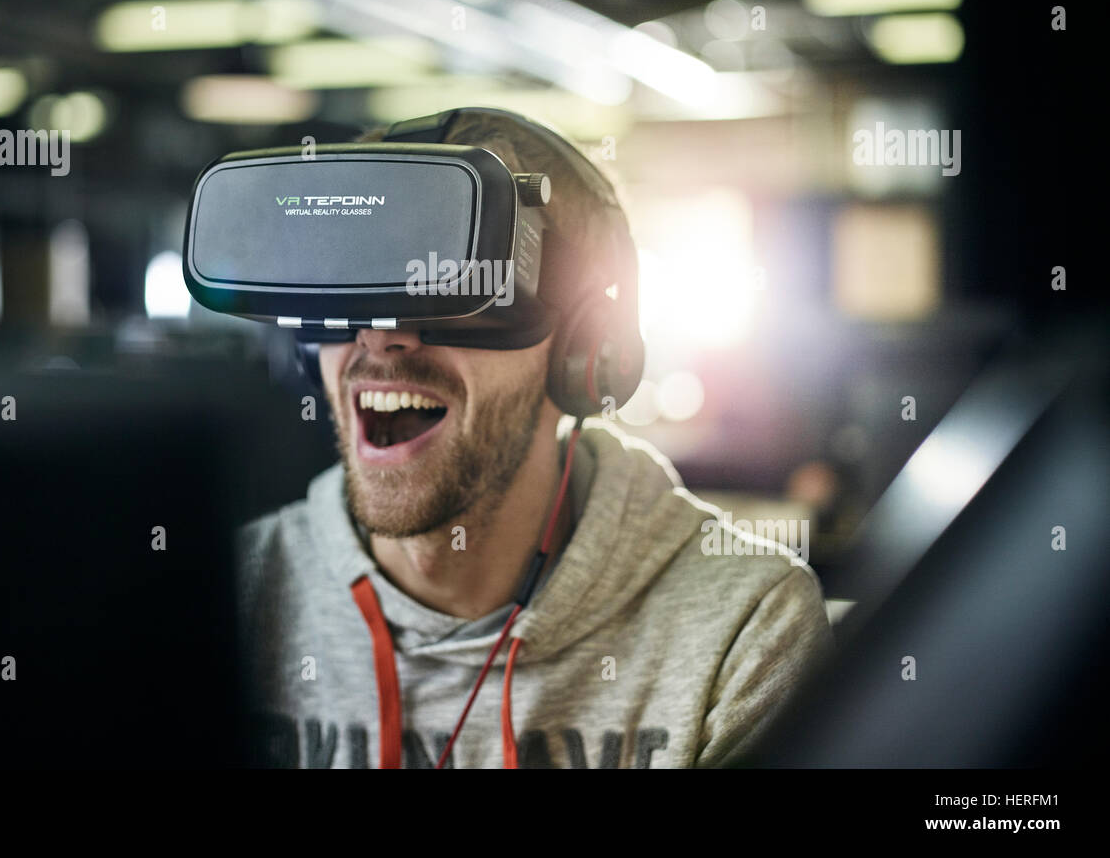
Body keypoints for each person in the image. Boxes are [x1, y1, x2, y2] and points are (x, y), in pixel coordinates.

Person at [237, 110, 834, 768]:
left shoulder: (743, 627)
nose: (380, 336)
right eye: (353, 288)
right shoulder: (236, 595)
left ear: (585, 350)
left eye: (456, 288)